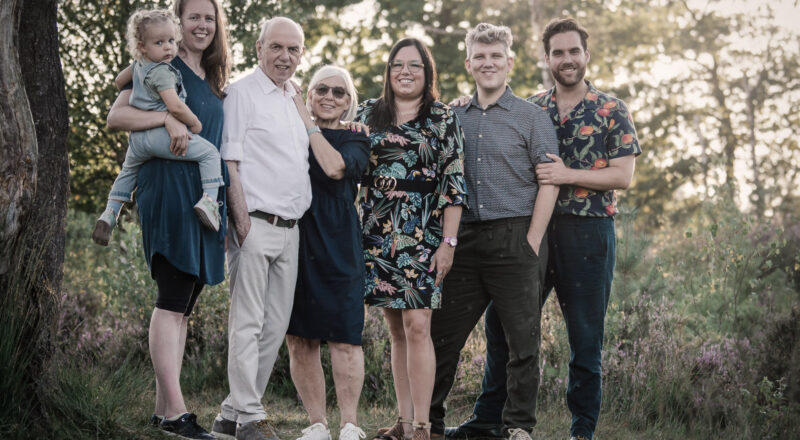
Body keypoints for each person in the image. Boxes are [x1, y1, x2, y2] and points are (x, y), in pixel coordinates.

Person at [445, 18, 641, 440]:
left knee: (584, 336)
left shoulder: (611, 109)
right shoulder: (533, 106)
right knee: (504, 329)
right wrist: (464, 103)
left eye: (573, 51)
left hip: (587, 232)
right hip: (529, 230)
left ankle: (581, 430)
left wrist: (567, 175)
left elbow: (623, 176)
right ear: (547, 58)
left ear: (586, 55)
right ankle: (489, 420)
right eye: (558, 52)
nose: (566, 59)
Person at [426, 23, 559, 440]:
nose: (488, 63)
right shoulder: (452, 117)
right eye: (480, 57)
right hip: (463, 240)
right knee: (441, 337)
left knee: (522, 342)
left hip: (516, 237)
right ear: (468, 64)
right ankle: (427, 423)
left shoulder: (532, 118)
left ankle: (518, 426)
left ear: (509, 62)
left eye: (495, 56)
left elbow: (549, 181)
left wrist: (532, 241)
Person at [105, 0, 230, 438]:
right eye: (193, 16)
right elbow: (116, 115)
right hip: (169, 191)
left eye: (209, 18)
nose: (202, 25)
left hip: (204, 197)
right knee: (172, 298)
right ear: (179, 21)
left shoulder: (211, 77)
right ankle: (177, 414)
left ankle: (162, 413)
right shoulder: (158, 61)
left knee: (184, 304)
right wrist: (165, 118)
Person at [357, 38, 467, 440]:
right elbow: (351, 167)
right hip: (377, 232)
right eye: (398, 65)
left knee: (418, 325)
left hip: (423, 234)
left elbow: (454, 183)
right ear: (388, 71)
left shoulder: (442, 117)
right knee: (396, 330)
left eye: (414, 65)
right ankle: (403, 422)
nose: (405, 72)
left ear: (427, 72)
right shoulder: (367, 113)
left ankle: (423, 425)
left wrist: (448, 243)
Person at [209, 17, 311, 440]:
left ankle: (230, 413)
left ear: (301, 54)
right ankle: (250, 416)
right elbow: (228, 159)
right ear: (259, 49)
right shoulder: (241, 94)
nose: (284, 57)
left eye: (293, 49)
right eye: (276, 47)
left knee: (274, 326)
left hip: (291, 229)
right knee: (248, 323)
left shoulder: (295, 98)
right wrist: (241, 220)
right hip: (254, 223)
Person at [283, 65, 370, 440]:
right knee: (300, 337)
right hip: (295, 239)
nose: (329, 97)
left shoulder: (355, 138)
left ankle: (349, 424)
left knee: (345, 336)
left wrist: (307, 123)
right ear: (310, 93)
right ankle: (317, 423)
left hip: (339, 242)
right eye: (321, 89)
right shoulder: (289, 130)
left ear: (349, 101)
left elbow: (335, 168)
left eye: (338, 92)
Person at [93, 8, 223, 247]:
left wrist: (135, 74)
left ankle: (110, 213)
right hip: (161, 137)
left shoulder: (139, 64)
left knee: (128, 171)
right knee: (210, 154)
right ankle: (209, 202)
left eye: (171, 41)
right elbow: (175, 106)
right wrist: (194, 123)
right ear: (142, 46)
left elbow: (119, 81)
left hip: (138, 141)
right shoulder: (163, 71)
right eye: (159, 43)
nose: (168, 48)